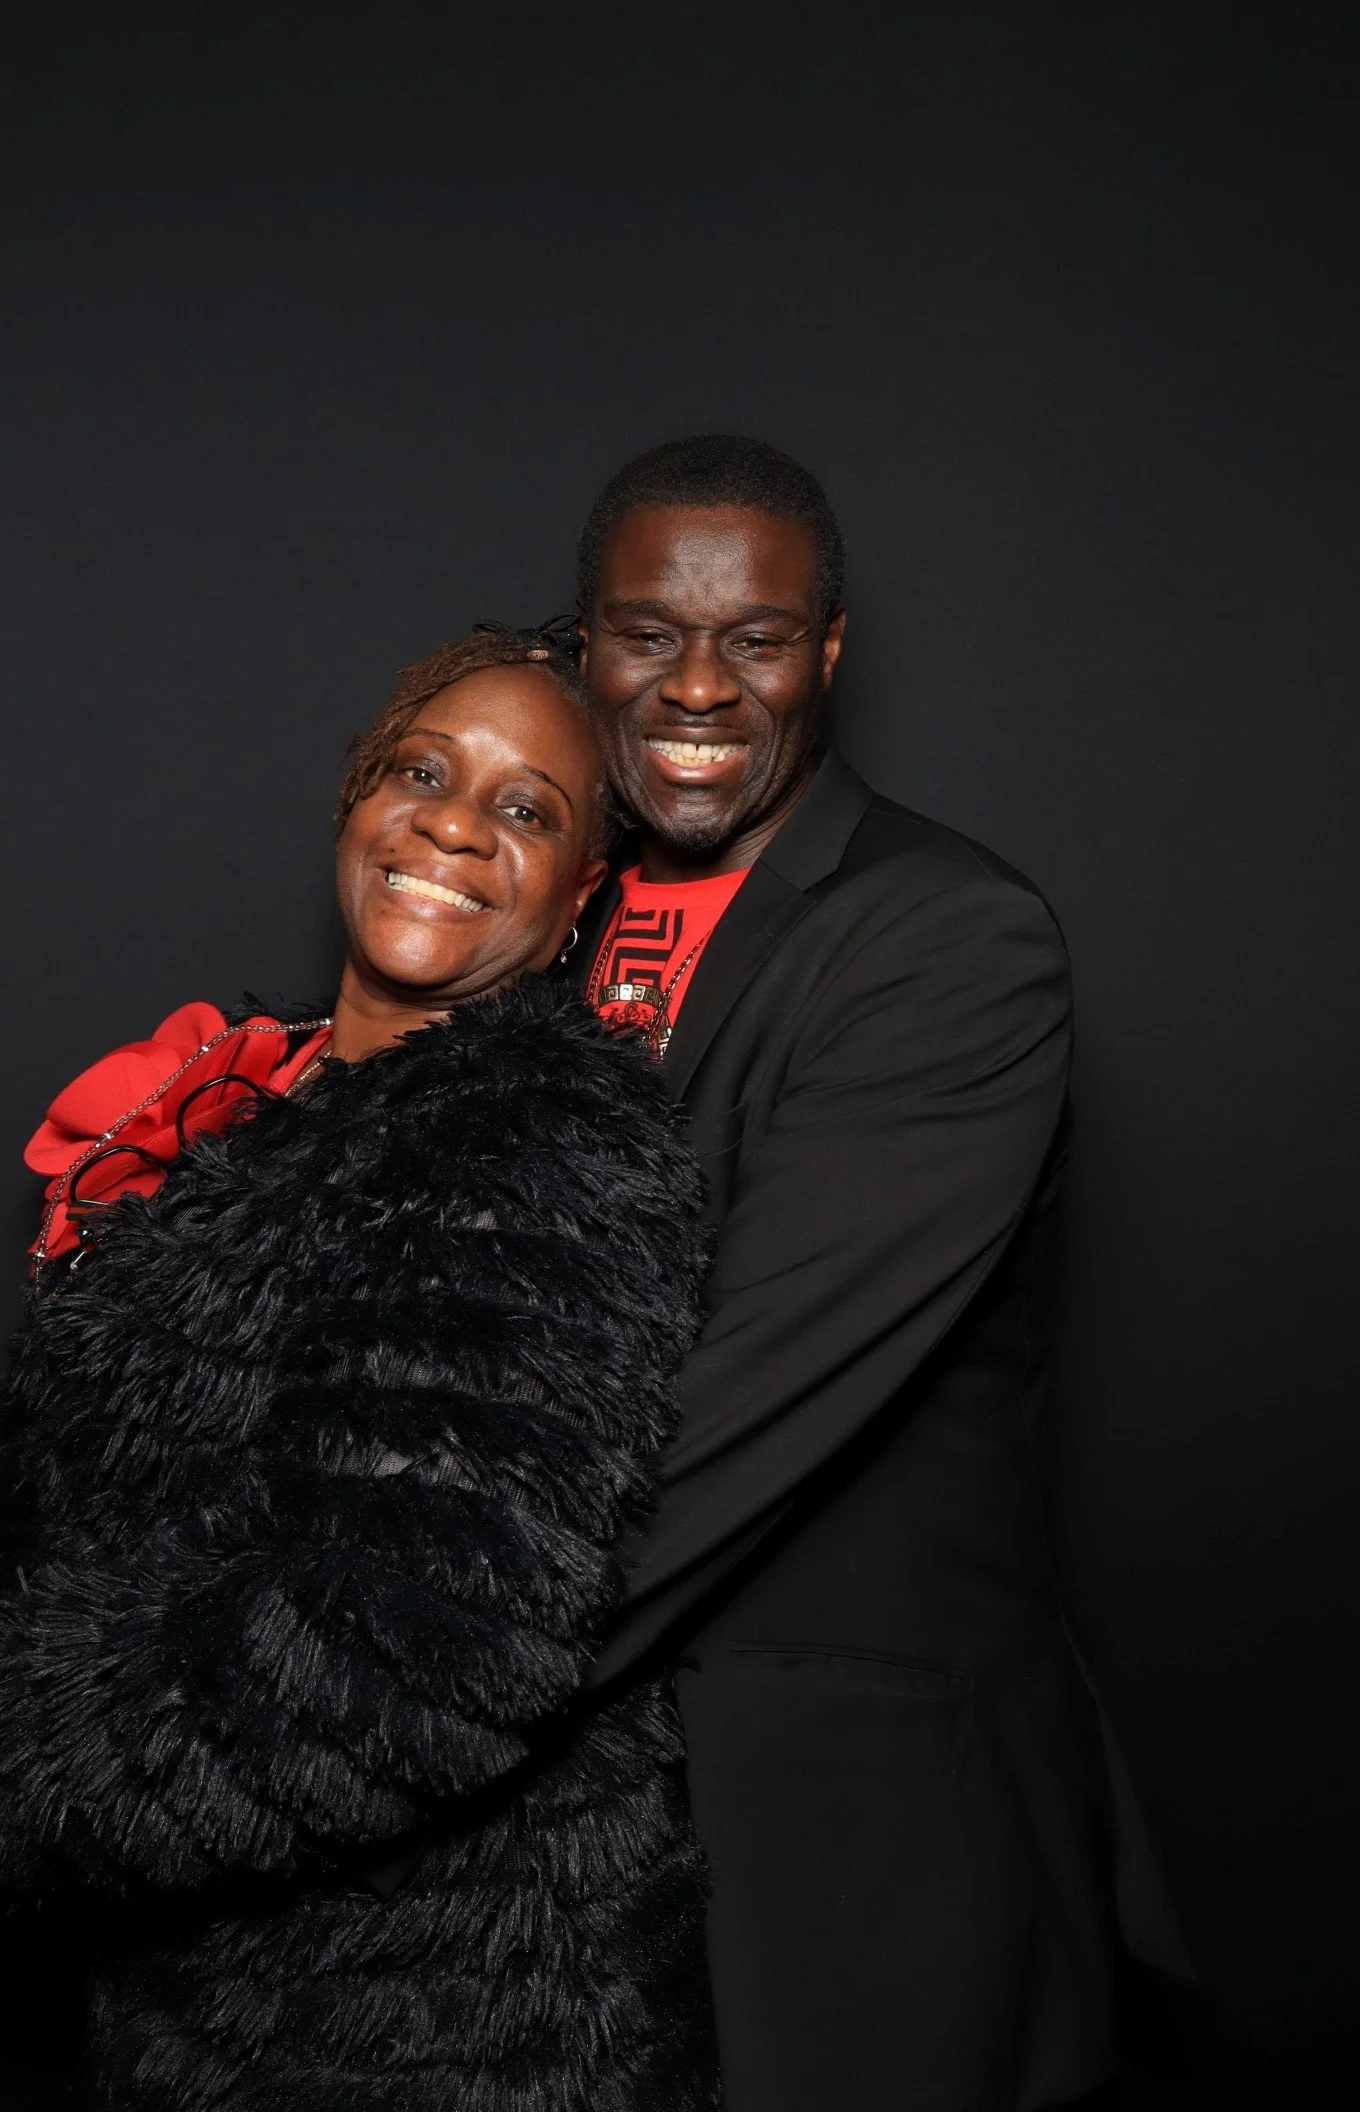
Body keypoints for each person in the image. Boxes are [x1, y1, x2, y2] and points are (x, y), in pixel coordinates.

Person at [0, 629, 723, 2112]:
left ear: (584, 892)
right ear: (354, 801)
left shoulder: (538, 1143)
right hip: (206, 1993)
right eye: (424, 771)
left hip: (445, 2027)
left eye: (529, 811)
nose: (457, 821)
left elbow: (418, 1640)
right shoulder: (261, 1101)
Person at [568, 436, 1190, 2112]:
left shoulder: (945, 935)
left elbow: (717, 1419)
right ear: (583, 650)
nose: (699, 685)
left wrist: (271, 1702)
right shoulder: (534, 921)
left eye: (757, 640)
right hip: (568, 1865)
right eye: (647, 632)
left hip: (854, 1846)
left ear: (826, 654)